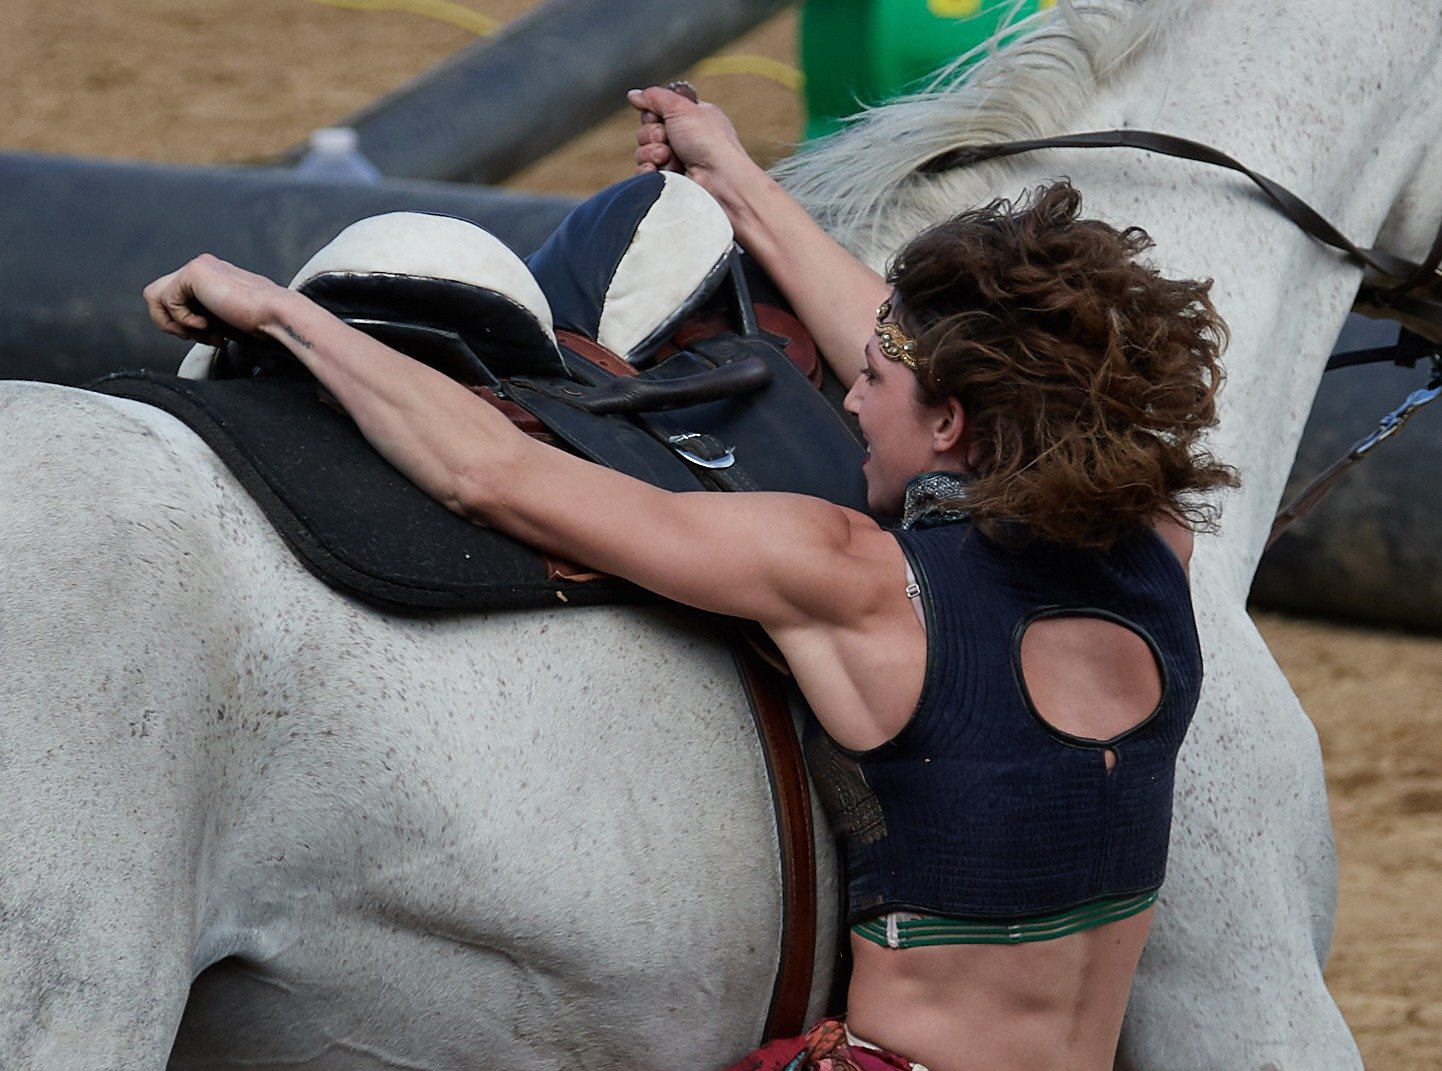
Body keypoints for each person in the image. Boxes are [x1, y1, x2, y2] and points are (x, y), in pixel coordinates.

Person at [143, 88, 1236, 1071]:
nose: (849, 404)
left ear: (950, 418)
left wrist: (284, 311)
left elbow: (492, 475)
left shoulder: (856, 581)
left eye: (867, 384)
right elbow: (938, 365)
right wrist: (734, 181)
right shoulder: (1156, 548)